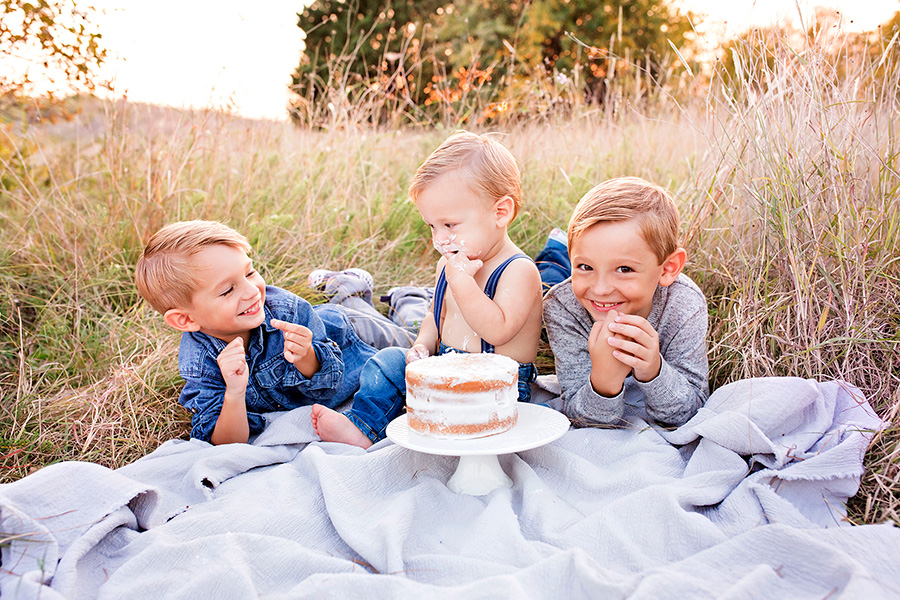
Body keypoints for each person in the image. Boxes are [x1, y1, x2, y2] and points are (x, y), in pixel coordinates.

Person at [312, 131, 544, 448]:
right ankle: (363, 427)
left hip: (496, 388)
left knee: (470, 415)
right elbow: (437, 316)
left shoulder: (519, 270)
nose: (439, 239)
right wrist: (422, 346)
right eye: (432, 226)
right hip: (444, 370)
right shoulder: (448, 265)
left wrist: (462, 282)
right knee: (387, 363)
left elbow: (499, 330)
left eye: (450, 225)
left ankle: (432, 420)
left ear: (500, 213)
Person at [134, 220, 378, 445]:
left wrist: (306, 356)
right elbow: (224, 443)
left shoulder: (287, 310)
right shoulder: (200, 364)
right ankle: (338, 286)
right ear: (185, 319)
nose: (251, 291)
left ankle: (348, 286)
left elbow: (328, 385)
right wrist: (234, 393)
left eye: (249, 273)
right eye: (228, 290)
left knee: (407, 342)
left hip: (349, 337)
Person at [542, 176, 709, 428]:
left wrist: (654, 370)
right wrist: (604, 382)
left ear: (667, 269)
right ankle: (558, 250)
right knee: (544, 274)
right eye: (585, 266)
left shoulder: (684, 304)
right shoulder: (563, 307)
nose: (600, 289)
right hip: (558, 281)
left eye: (624, 269)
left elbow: (689, 411)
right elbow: (580, 418)